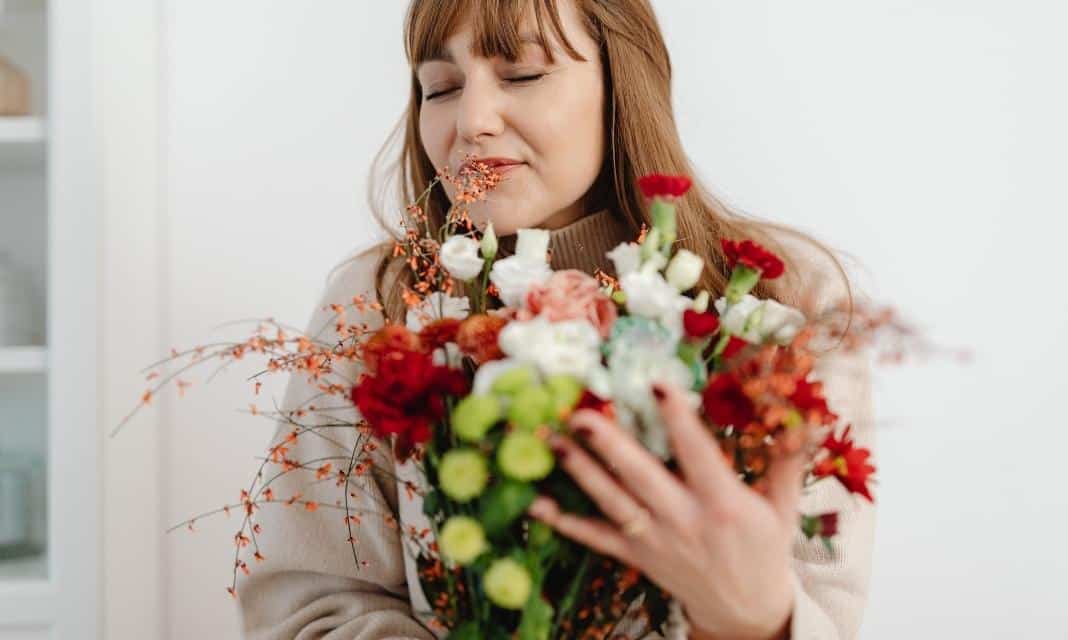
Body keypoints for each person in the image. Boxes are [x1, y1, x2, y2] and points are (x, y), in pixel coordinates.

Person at [237, 1, 876, 638]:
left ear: (623, 84)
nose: (471, 121)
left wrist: (756, 616)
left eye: (522, 75)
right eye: (442, 87)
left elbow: (826, 609)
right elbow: (306, 606)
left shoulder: (788, 304)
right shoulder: (378, 303)